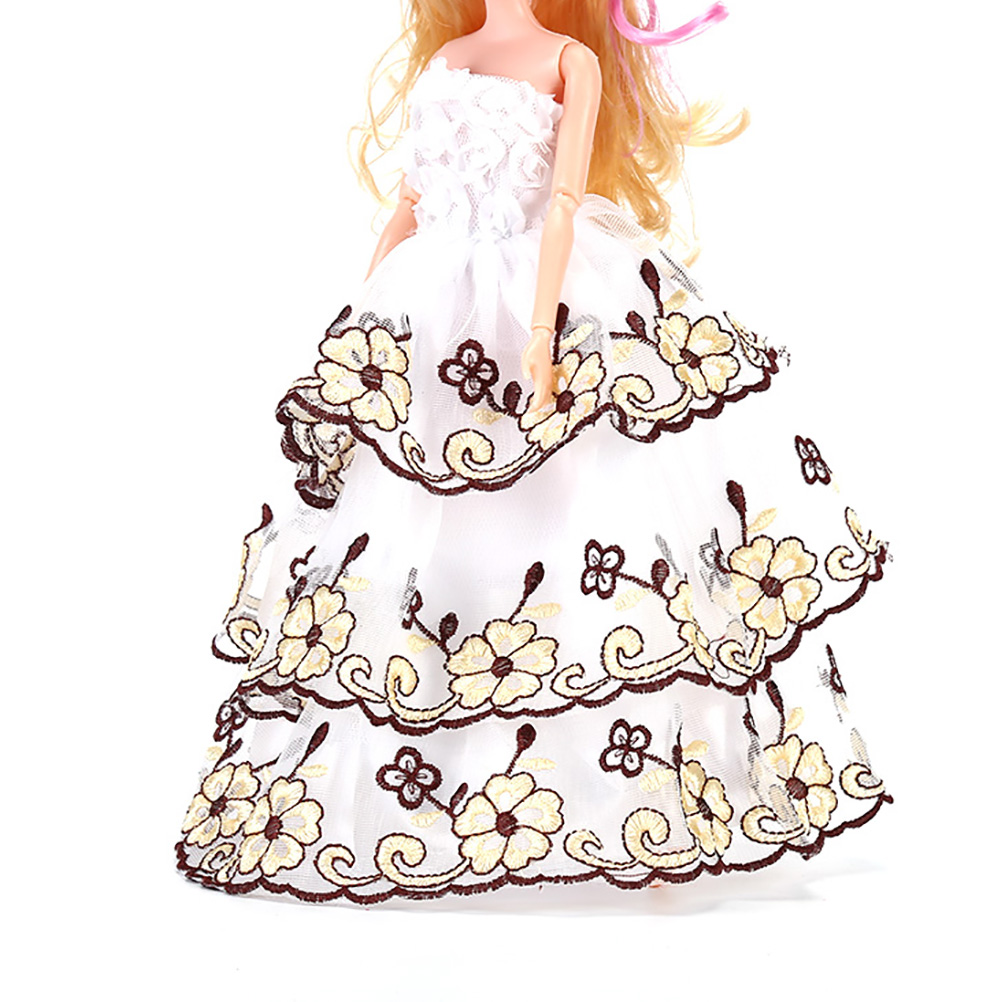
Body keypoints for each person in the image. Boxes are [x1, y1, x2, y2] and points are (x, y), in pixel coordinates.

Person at [175, 0, 894, 906]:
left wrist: (546, 330)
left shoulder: (569, 61)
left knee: (575, 521)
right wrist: (362, 314)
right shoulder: (449, 58)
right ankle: (434, 778)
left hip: (537, 296)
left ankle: (619, 794)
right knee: (424, 533)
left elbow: (561, 202)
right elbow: (409, 201)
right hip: (434, 300)